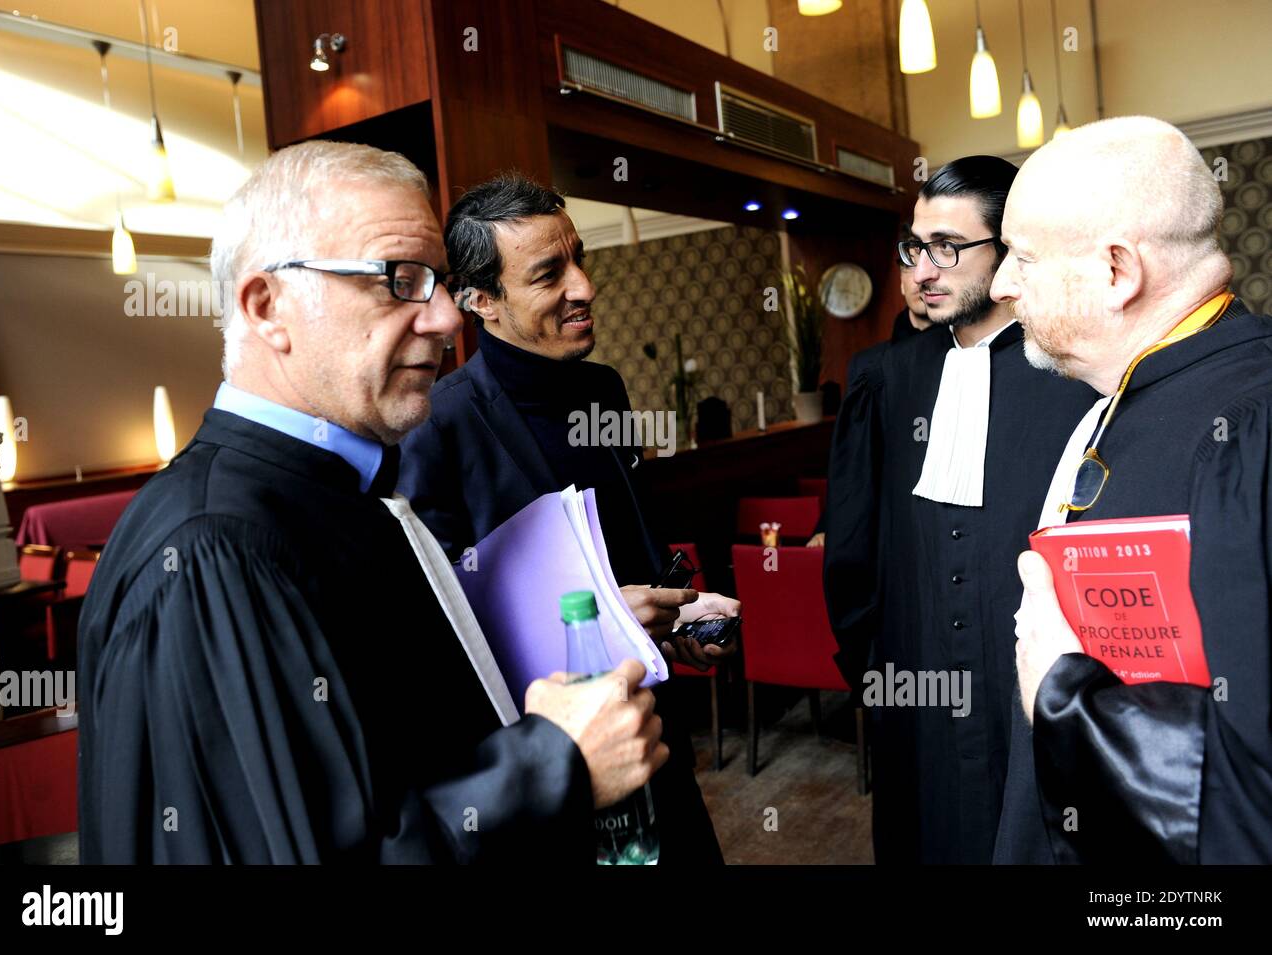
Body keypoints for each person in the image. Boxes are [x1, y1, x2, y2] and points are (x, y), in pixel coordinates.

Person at [77, 141, 669, 864]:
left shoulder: (342, 493)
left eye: (442, 283)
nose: (450, 319)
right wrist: (555, 762)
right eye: (399, 279)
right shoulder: (214, 548)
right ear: (269, 307)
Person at [399, 173, 730, 864]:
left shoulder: (603, 387)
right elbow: (440, 635)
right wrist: (607, 621)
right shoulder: (438, 427)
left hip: (652, 734)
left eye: (580, 258)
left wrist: (677, 615)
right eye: (551, 273)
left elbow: (632, 543)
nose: (585, 287)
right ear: (480, 300)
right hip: (554, 769)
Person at [991, 115, 1272, 864]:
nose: (999, 284)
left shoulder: (1253, 428)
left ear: (1118, 270)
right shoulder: (1121, 398)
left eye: (1022, 256)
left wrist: (1063, 690)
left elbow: (1253, 783)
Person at [822, 156, 1098, 863]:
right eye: (915, 247)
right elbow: (852, 548)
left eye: (948, 247)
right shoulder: (885, 379)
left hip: (1035, 691)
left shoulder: (1076, 378)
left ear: (1008, 251)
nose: (922, 269)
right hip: (917, 693)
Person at [808, 238, 929, 549]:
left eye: (928, 261)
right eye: (909, 266)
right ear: (901, 283)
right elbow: (852, 461)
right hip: (886, 528)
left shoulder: (966, 356)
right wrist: (829, 525)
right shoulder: (868, 365)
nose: (919, 276)